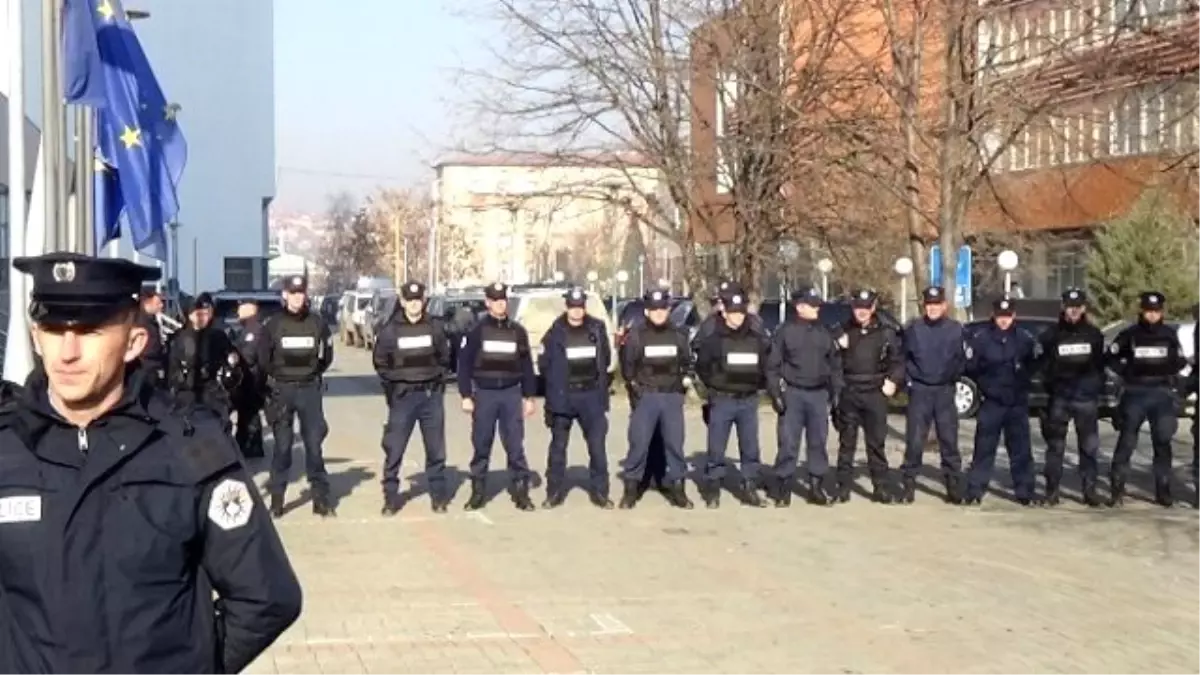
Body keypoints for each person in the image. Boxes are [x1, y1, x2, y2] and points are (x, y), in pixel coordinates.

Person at [0, 252, 301, 674]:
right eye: (53, 330)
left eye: (88, 331)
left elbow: (267, 597)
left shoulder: (190, 448)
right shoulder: (7, 448)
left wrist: (190, 664)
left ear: (134, 342)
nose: (67, 352)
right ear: (36, 337)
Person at [457, 282, 538, 511]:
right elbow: (463, 364)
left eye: (502, 300)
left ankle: (521, 492)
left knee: (514, 445)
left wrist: (529, 397)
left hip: (511, 393)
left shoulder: (517, 331)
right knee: (482, 444)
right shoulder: (477, 330)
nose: (500, 304)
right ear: (488, 303)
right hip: (485, 393)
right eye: (495, 300)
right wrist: (465, 395)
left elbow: (526, 365)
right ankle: (478, 492)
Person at [374, 281, 451, 515]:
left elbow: (444, 357)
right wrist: (398, 381)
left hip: (430, 395)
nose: (414, 304)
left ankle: (438, 496)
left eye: (418, 300)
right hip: (404, 397)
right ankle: (390, 497)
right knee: (394, 449)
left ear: (424, 301)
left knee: (436, 449)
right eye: (410, 300)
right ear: (403, 301)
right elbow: (380, 362)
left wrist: (435, 376)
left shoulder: (434, 327)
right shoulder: (390, 330)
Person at [263, 274, 336, 518]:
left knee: (314, 446)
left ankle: (320, 498)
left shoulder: (317, 323)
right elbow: (264, 359)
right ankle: (277, 499)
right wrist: (277, 380)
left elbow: (326, 355)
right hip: (282, 390)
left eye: (300, 293)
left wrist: (312, 374)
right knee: (282, 448)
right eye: (292, 293)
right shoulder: (273, 325)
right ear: (285, 295)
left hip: (309, 389)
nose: (297, 297)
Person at [1107, 291, 1186, 507]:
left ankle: (1163, 490)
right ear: (1142, 311)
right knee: (1127, 441)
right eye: (1148, 311)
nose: (1152, 315)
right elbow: (1111, 357)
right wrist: (1125, 371)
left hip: (1161, 393)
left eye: (1156, 311)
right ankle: (1117, 488)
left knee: (1162, 442)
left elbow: (1179, 361)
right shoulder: (1130, 334)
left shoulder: (1169, 335)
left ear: (1161, 312)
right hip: (1135, 392)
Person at [538, 286, 613, 509]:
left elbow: (605, 359)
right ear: (566, 306)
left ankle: (600, 493)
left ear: (584, 307)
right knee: (558, 448)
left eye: (580, 307)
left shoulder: (597, 329)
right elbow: (544, 364)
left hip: (591, 396)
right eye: (572, 306)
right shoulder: (555, 331)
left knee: (597, 448)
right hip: (564, 397)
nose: (576, 311)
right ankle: (554, 493)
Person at [766, 287, 843, 506]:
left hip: (819, 394)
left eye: (817, 303)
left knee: (818, 442)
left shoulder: (825, 332)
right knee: (788, 442)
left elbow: (835, 365)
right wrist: (775, 394)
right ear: (799, 306)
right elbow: (772, 366)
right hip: (794, 393)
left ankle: (816, 487)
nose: (817, 307)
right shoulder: (785, 331)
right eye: (812, 304)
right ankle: (783, 488)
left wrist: (836, 394)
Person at [619, 289, 694, 509]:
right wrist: (635, 390)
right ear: (647, 311)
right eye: (654, 309)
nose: (659, 313)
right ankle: (631, 490)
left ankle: (678, 490)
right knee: (639, 443)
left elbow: (687, 362)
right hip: (647, 396)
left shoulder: (679, 334)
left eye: (663, 309)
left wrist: (685, 382)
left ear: (668, 310)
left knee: (674, 444)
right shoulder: (636, 335)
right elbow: (628, 367)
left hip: (671, 396)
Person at [695, 288, 770, 508]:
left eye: (741, 312)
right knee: (716, 447)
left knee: (750, 447)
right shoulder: (713, 339)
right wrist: (715, 386)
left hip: (748, 399)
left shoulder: (756, 337)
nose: (737, 316)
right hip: (722, 399)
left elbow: (765, 365)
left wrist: (759, 386)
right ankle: (713, 488)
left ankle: (750, 486)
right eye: (733, 312)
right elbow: (703, 367)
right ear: (724, 312)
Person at [962, 297, 1040, 506]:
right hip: (992, 402)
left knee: (1021, 450)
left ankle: (1025, 492)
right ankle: (975, 490)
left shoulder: (1024, 338)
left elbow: (1033, 365)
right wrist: (987, 386)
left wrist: (1022, 382)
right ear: (993, 316)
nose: (1003, 321)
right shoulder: (981, 338)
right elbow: (972, 367)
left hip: (1016, 402)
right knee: (984, 448)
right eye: (1000, 316)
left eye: (1007, 316)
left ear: (1013, 316)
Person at [833, 289, 904, 503]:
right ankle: (842, 487)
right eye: (857, 308)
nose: (861, 312)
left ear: (873, 308)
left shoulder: (885, 331)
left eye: (866, 308)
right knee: (847, 443)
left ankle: (880, 487)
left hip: (875, 392)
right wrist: (836, 344)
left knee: (876, 443)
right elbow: (831, 361)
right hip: (850, 391)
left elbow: (898, 361)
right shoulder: (841, 330)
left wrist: (893, 381)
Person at [1037, 288, 1106, 507]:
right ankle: (1052, 492)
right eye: (1069, 307)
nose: (1073, 311)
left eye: (1077, 307)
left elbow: (1100, 366)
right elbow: (1042, 366)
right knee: (1055, 448)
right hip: (1060, 399)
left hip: (1086, 400)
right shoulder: (1050, 335)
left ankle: (1089, 491)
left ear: (1084, 308)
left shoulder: (1094, 335)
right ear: (1063, 308)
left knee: (1089, 448)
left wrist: (1095, 389)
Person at [898, 286, 967, 504]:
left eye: (937, 304)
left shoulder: (956, 329)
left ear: (944, 306)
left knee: (949, 439)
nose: (933, 308)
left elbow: (962, 359)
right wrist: (909, 381)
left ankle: (953, 486)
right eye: (929, 304)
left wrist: (953, 377)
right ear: (924, 306)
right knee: (915, 440)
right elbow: (903, 357)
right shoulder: (914, 329)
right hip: (920, 390)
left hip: (944, 390)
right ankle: (908, 485)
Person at [166, 292, 240, 421]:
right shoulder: (179, 338)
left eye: (206, 314)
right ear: (190, 316)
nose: (203, 318)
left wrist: (231, 363)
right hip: (187, 391)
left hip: (211, 389)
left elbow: (231, 357)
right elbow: (171, 367)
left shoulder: (217, 336)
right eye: (199, 314)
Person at [230, 298, 268, 458]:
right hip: (247, 381)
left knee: (250, 413)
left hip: (252, 381)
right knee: (246, 414)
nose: (238, 311)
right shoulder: (246, 329)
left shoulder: (254, 331)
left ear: (250, 309)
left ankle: (251, 446)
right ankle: (247, 444)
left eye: (240, 307)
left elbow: (250, 357)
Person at [136, 288, 167, 388]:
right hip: (145, 367)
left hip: (151, 367)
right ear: (148, 304)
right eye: (158, 303)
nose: (161, 306)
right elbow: (148, 347)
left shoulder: (152, 321)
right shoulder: (141, 322)